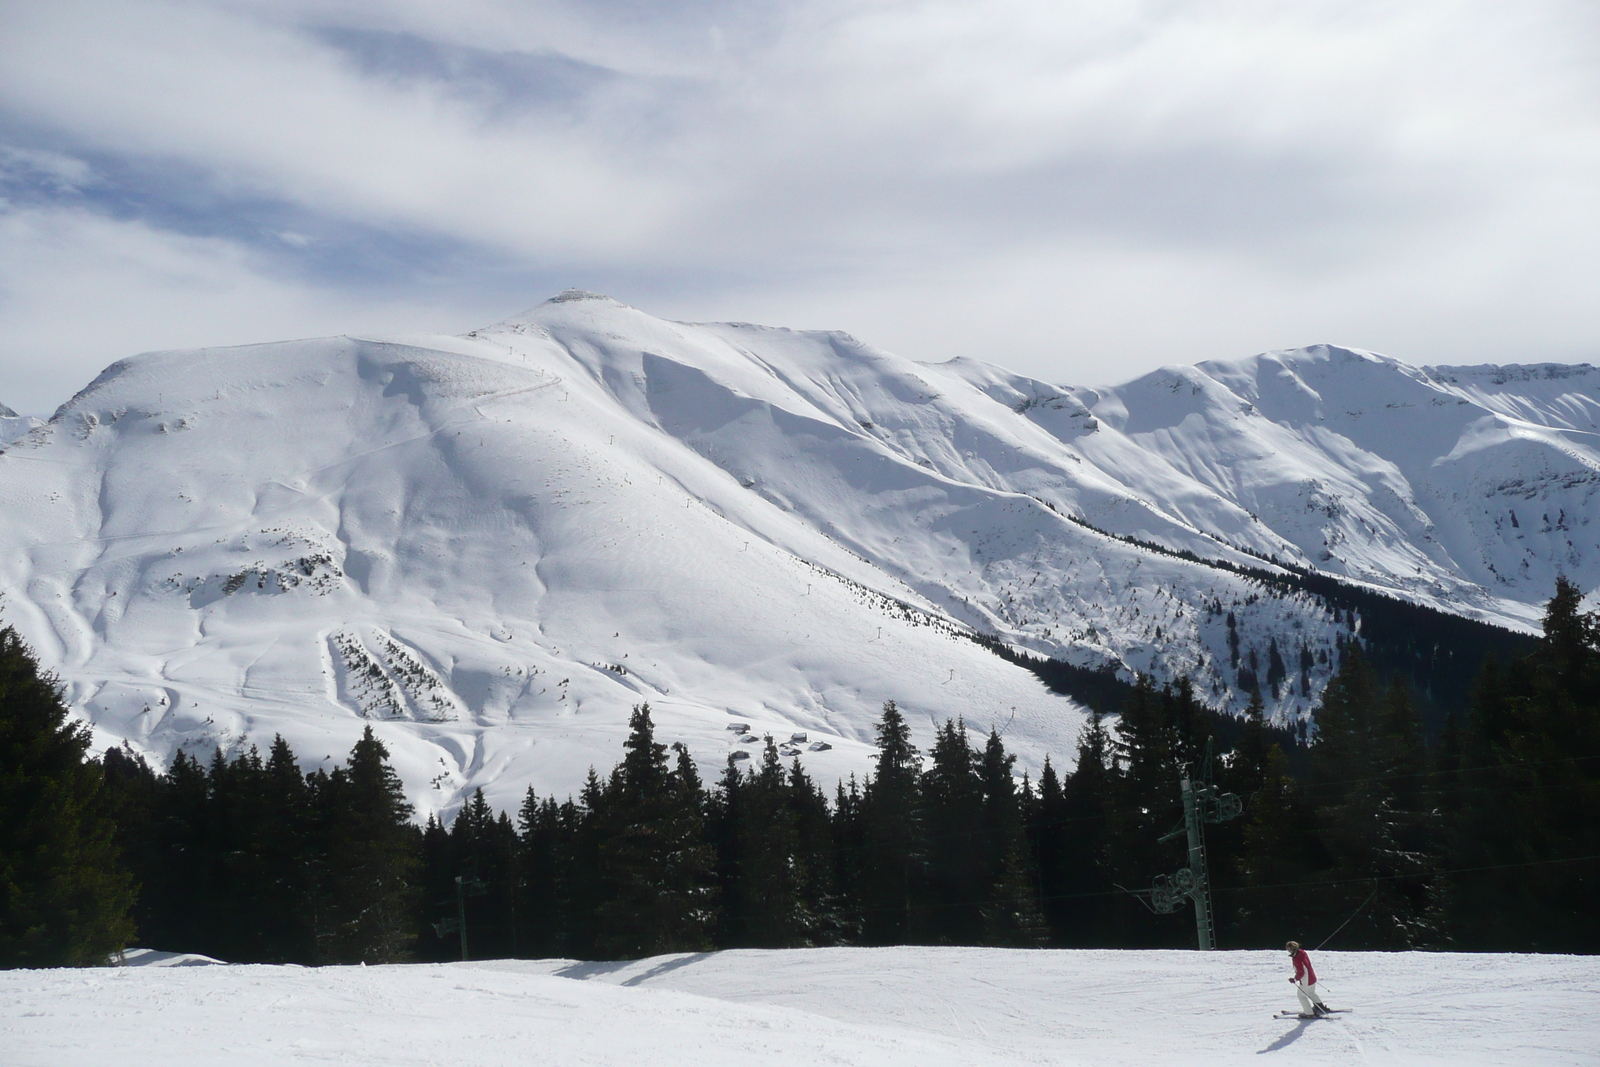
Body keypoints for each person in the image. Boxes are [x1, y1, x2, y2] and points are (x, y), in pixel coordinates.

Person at [1286, 941, 1331, 1017]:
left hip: (1306, 980)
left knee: (1301, 995)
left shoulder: (1297, 958)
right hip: (1312, 976)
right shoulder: (1302, 952)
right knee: (1311, 993)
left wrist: (1294, 979)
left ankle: (1309, 1013)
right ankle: (1319, 1007)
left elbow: (1301, 972)